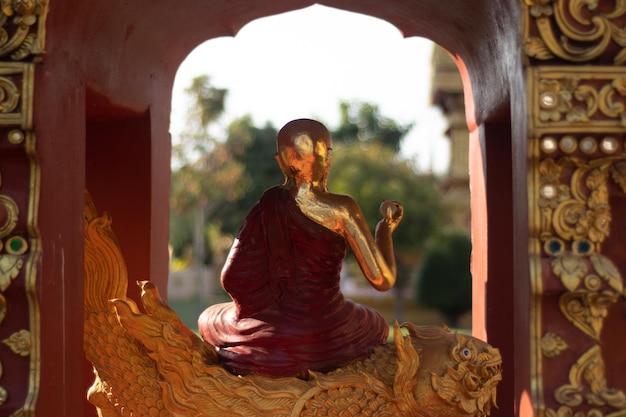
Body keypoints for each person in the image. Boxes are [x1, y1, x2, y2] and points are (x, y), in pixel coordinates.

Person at [198, 118, 403, 378]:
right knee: (376, 324)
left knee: (211, 317)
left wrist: (261, 309)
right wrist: (384, 230)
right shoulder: (343, 209)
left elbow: (231, 277)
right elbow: (383, 280)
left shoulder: (267, 206)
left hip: (265, 333)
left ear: (281, 161)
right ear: (328, 157)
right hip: (327, 327)